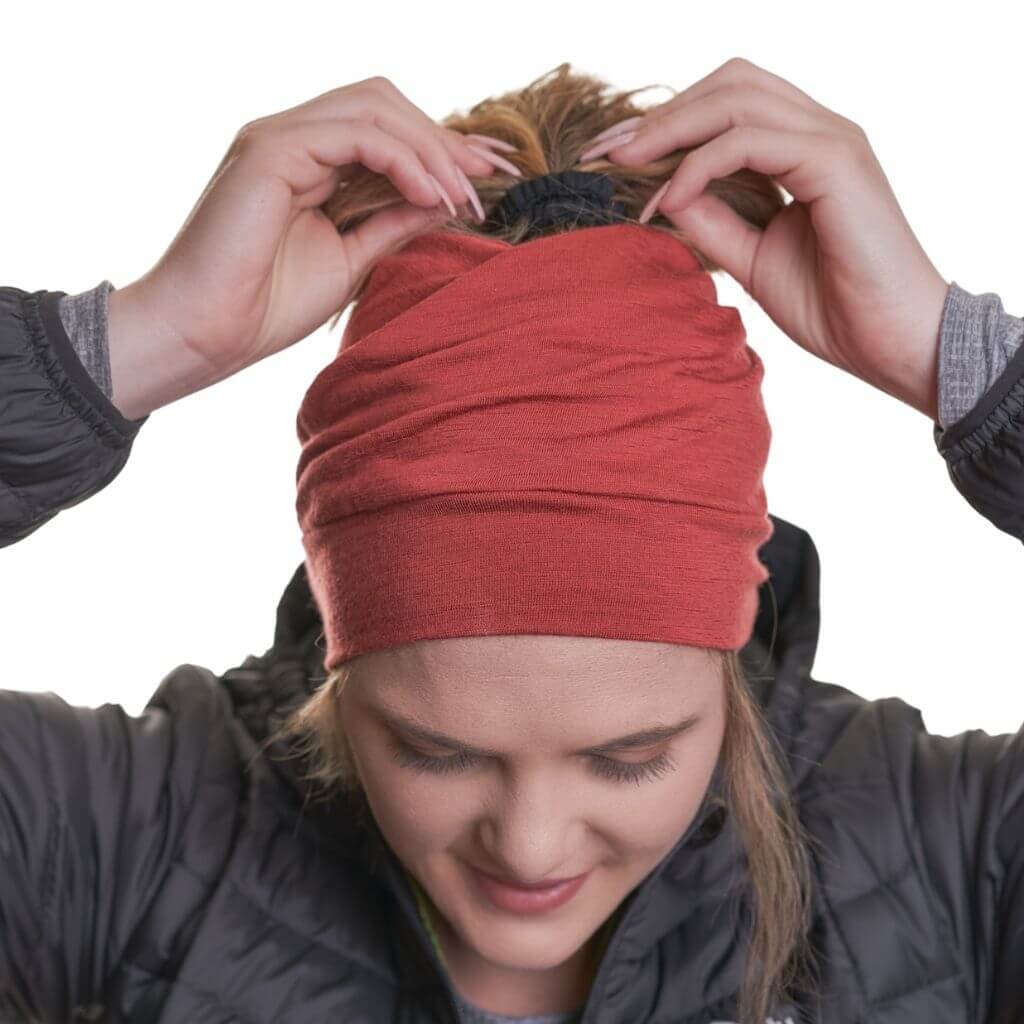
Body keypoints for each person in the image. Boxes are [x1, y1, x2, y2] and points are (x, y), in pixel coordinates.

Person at [1, 59, 1022, 1024]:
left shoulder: (942, 853)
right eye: (435, 751)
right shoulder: (120, 838)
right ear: (343, 655)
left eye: (630, 758)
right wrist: (130, 345)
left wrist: (961, 364)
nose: (529, 847)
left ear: (727, 647)